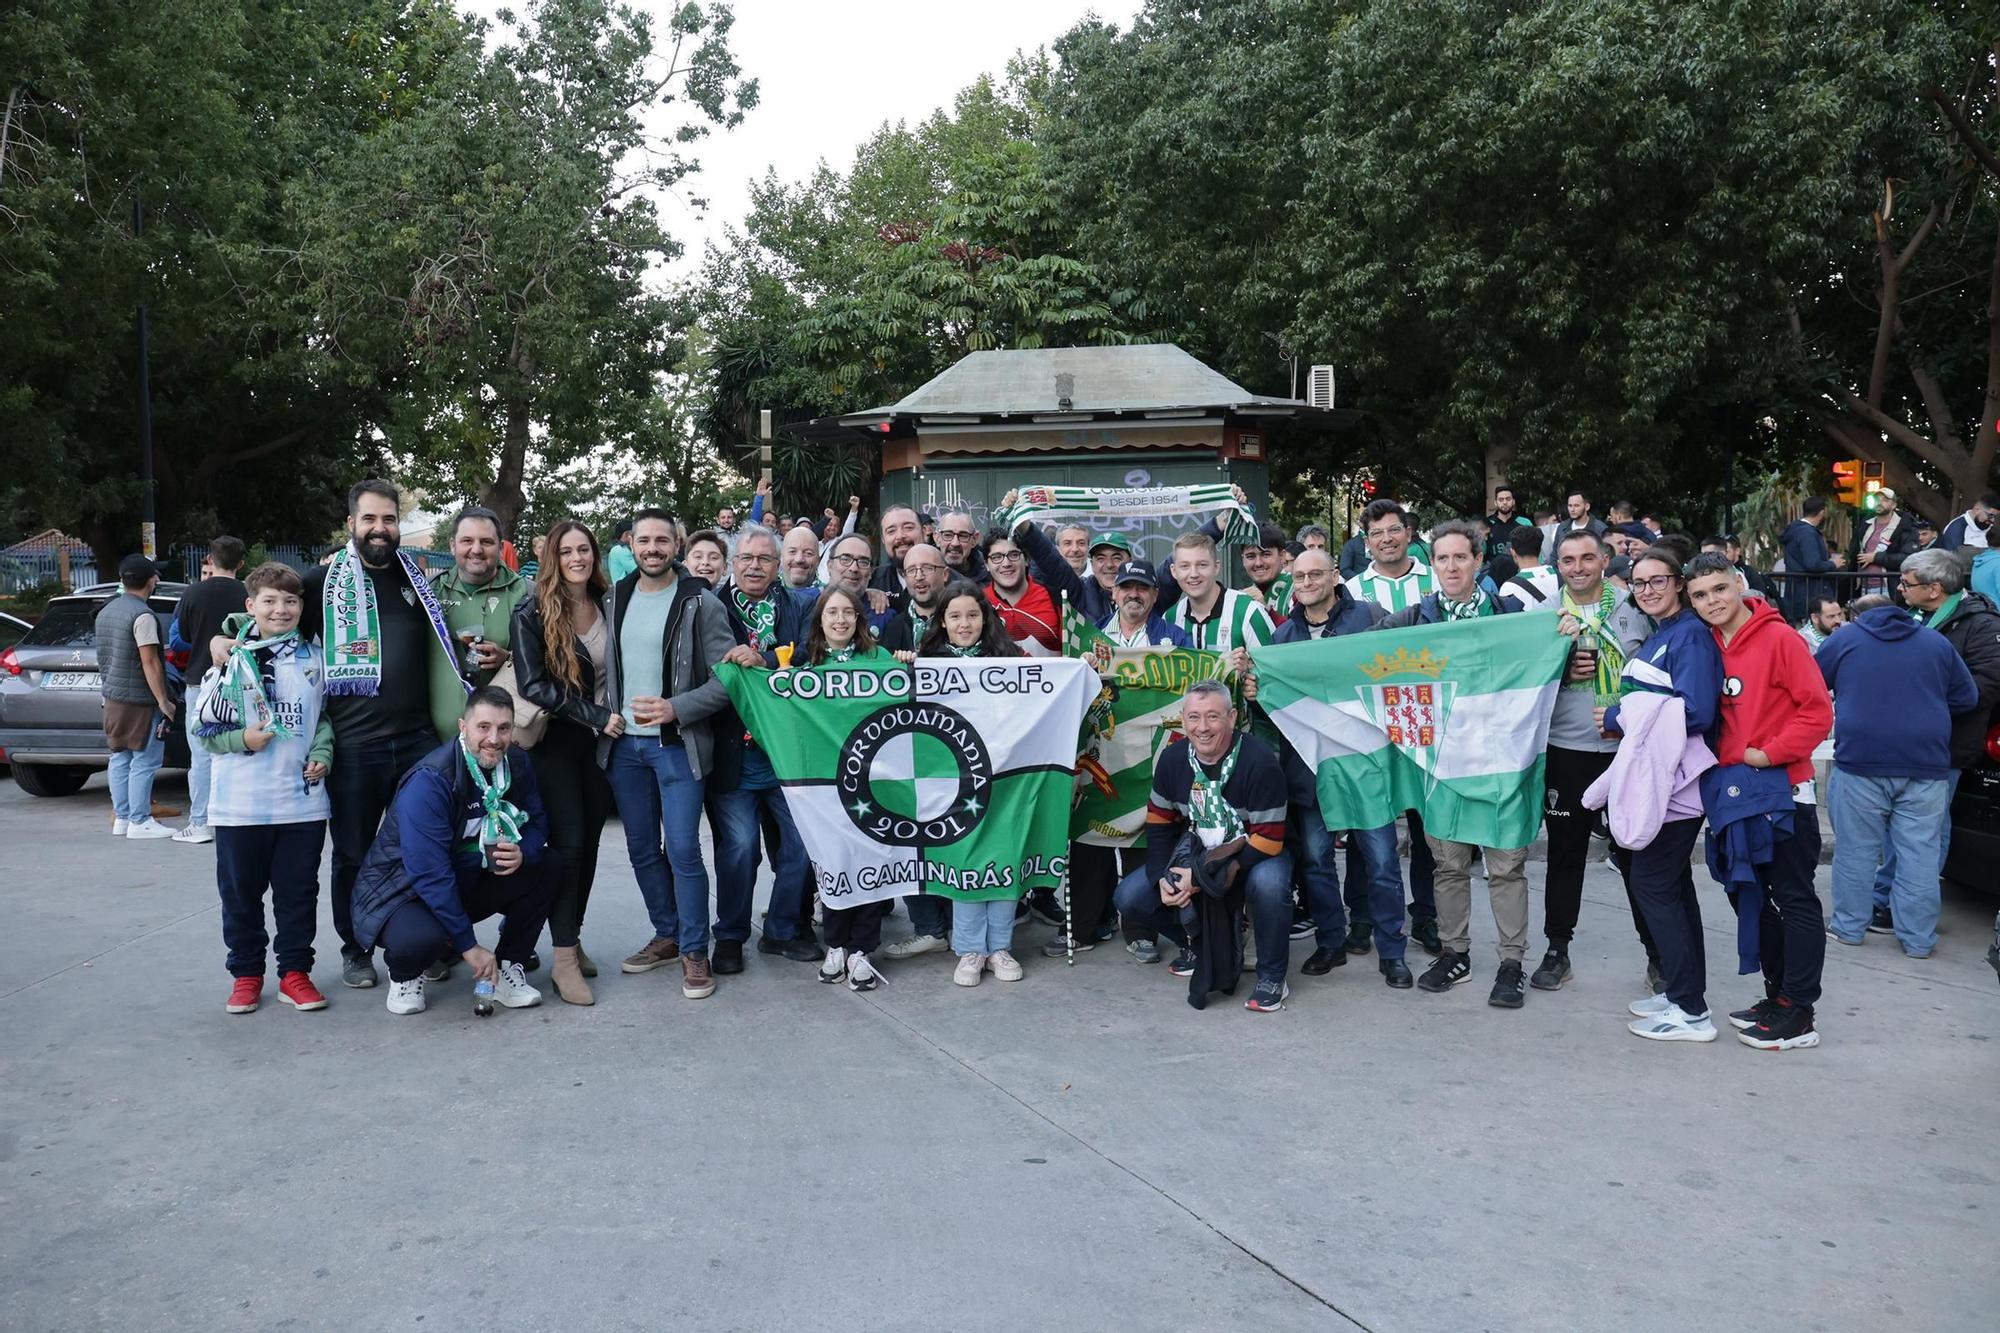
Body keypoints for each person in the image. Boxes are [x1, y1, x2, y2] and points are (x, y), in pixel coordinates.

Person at [285, 480, 464, 990]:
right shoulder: (321, 583)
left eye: (389, 519)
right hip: (354, 745)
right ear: (352, 525)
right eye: (370, 519)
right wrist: (224, 634)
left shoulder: (418, 581)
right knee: (353, 854)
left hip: (416, 741)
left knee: (424, 848)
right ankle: (356, 946)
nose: (380, 529)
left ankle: (421, 941)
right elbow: (270, 618)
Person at [1373, 521, 1536, 1007]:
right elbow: (1351, 654)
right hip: (1440, 763)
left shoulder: (1510, 614)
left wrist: (1565, 637)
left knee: (1506, 864)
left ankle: (1512, 963)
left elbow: (1551, 660)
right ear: (1432, 564)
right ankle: (1455, 952)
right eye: (1441, 559)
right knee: (1447, 864)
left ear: (1477, 561)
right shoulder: (1412, 619)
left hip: (1502, 760)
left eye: (1459, 558)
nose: (1450, 567)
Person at [1240, 548, 1411, 987]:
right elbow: (1273, 715)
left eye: (1317, 573)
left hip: (1366, 764)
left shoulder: (1370, 618)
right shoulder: (1282, 639)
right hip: (1309, 770)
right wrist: (1257, 694)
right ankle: (1331, 942)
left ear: (1335, 575)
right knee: (1316, 862)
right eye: (1300, 576)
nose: (1308, 581)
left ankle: (1392, 950)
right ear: (1291, 582)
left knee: (1382, 861)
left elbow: (1400, 668)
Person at [1685, 553, 1834, 1051]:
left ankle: (1800, 1011)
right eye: (1701, 595)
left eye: (1719, 590)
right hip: (1731, 794)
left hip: (1784, 791)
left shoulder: (1781, 639)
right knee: (1750, 895)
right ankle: (1777, 996)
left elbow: (1817, 713)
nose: (1712, 602)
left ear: (1738, 586)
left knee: (1793, 898)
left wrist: (1766, 754)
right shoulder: (1705, 643)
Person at [600, 509, 737, 1000]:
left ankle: (695, 949)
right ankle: (668, 933)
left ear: (676, 545)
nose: (653, 548)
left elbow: (728, 679)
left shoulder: (700, 602)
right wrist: (603, 714)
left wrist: (675, 708)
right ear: (630, 544)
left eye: (662, 540)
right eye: (644, 540)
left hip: (677, 746)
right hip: (624, 747)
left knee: (681, 849)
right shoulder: (614, 598)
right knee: (641, 849)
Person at [351, 687, 554, 1015]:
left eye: (504, 728)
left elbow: (538, 821)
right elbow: (428, 873)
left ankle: (508, 966)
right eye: (483, 727)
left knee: (549, 865)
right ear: (463, 727)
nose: (494, 738)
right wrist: (468, 946)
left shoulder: (516, 762)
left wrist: (524, 852)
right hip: (404, 891)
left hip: (467, 874)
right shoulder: (432, 780)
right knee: (420, 939)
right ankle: (404, 974)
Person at [192, 561, 334, 1015]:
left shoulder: (314, 658)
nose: (281, 610)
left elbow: (324, 717)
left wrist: (324, 752)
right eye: (270, 601)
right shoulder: (230, 659)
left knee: (298, 895)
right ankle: (247, 974)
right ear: (251, 606)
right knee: (241, 896)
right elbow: (206, 731)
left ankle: (295, 973)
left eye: (290, 601)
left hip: (301, 804)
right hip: (240, 806)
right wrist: (244, 741)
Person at [1600, 549, 1725, 1042]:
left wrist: (1617, 717)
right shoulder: (1666, 634)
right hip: (1664, 780)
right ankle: (1680, 991)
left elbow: (1694, 712)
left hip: (1675, 784)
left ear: (1678, 583)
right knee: (1671, 889)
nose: (1647, 589)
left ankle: (1691, 1010)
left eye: (1657, 580)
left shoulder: (1688, 634)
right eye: (1639, 583)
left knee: (1654, 888)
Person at [1518, 529, 1652, 990]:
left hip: (1628, 750)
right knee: (1565, 853)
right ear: (1558, 565)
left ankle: (1657, 951)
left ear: (1605, 559)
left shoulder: (1636, 607)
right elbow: (1523, 682)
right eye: (1568, 559)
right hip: (1568, 749)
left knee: (1637, 856)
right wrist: (1559, 668)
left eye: (1587, 558)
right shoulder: (1541, 615)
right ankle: (1558, 950)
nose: (1578, 567)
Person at [1113, 679, 1293, 1011]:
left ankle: (1272, 976)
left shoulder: (1259, 760)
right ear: (1182, 719)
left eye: (1213, 716)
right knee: (1129, 896)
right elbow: (1159, 825)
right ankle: (1200, 943)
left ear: (1233, 717)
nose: (1203, 727)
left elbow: (1268, 840)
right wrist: (1163, 878)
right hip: (1199, 851)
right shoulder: (1172, 759)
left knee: (1270, 884)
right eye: (1194, 717)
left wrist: (1202, 878)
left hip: (1254, 851)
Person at [1042, 559, 1190, 960]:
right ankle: (1083, 927)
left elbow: (1198, 686)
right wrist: (1079, 668)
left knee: (1147, 844)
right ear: (1113, 592)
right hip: (1099, 757)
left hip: (1149, 762)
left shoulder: (1176, 640)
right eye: (1126, 587)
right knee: (1089, 845)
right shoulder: (1087, 640)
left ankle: (1141, 930)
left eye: (1142, 588)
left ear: (1155, 595)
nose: (1134, 594)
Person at [1818, 588, 1976, 958]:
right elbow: (1966, 697)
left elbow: (1810, 683)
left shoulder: (1845, 638)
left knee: (1856, 851)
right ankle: (1918, 940)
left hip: (1861, 760)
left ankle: (1849, 928)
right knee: (1919, 853)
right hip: (1927, 762)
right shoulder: (1935, 642)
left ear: (1856, 615)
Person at [512, 520, 622, 1005]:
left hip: (599, 745)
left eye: (585, 550)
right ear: (552, 558)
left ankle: (571, 940)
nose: (577, 558)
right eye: (567, 551)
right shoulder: (532, 609)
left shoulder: (610, 601)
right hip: (556, 740)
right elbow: (533, 684)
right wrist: (594, 716)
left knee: (591, 844)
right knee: (569, 846)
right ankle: (561, 961)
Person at [1867, 550, 2000, 933]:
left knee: (1926, 832)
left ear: (1934, 589)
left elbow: (1985, 686)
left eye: (1907, 583)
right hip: (1902, 741)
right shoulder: (1914, 614)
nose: (1900, 589)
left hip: (1944, 745)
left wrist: (1921, 702)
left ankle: (1903, 908)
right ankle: (1886, 898)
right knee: (1899, 827)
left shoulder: (1979, 624)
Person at [712, 523, 821, 970]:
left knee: (804, 844)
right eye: (746, 558)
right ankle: (731, 936)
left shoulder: (798, 605)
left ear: (778, 566)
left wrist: (769, 659)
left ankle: (780, 929)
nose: (755, 566)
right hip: (732, 754)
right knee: (740, 849)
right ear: (733, 564)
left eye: (764, 559)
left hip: (786, 753)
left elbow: (813, 654)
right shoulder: (710, 607)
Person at [915, 581, 1029, 986]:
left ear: (986, 618)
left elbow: (1048, 687)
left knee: (1002, 857)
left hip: (1003, 775)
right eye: (955, 616)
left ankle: (1000, 946)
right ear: (942, 622)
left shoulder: (1011, 658)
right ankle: (969, 950)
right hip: (952, 780)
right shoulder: (926, 661)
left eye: (973, 615)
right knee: (963, 859)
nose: (965, 624)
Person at [800, 587, 897, 992]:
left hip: (876, 782)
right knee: (834, 861)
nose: (839, 620)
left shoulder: (879, 659)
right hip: (827, 785)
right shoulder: (807, 666)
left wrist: (906, 662)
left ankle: (862, 949)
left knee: (871, 861)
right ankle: (836, 944)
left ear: (859, 619)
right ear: (820, 621)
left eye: (847, 613)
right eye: (831, 613)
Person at [169, 535, 250, 844]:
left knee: (201, 755)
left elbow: (185, 636)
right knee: (241, 747)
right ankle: (238, 816)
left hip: (200, 679)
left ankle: (200, 822)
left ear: (210, 561)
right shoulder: (248, 593)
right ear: (241, 563)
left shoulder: (193, 593)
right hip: (243, 679)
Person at [428, 505, 531, 743]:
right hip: (436, 743)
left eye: (486, 541)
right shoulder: (429, 591)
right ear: (452, 545)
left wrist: (508, 658)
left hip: (501, 743)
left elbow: (548, 661)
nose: (476, 549)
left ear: (500, 547)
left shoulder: (526, 593)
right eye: (467, 541)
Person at [97, 556, 179, 839]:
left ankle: (122, 818)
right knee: (145, 761)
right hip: (141, 702)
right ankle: (140, 821)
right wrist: (164, 701)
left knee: (119, 757)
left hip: (113, 698)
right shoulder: (142, 615)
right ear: (152, 580)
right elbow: (150, 662)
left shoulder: (107, 611)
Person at [1164, 531, 1277, 653]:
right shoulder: (1169, 618)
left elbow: (1272, 668)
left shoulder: (1248, 611)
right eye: (1185, 566)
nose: (1194, 574)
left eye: (1202, 565)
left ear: (1216, 567)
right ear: (1174, 571)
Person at [1343, 500, 1435, 614]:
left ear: (1408, 534)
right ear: (1367, 542)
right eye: (1377, 533)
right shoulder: (1352, 591)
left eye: (1394, 530)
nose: (1387, 539)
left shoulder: (1439, 580)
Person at [980, 529, 1059, 652]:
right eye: (996, 557)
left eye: (1014, 555)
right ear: (986, 564)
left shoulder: (1053, 596)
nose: (1006, 563)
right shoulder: (978, 601)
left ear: (1027, 560)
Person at [876, 543, 951, 658]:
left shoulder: (961, 620)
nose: (919, 576)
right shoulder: (894, 628)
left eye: (927, 568)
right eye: (911, 570)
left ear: (945, 574)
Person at [1778, 497, 1844, 622]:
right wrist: (1833, 564)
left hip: (1799, 592)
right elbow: (1813, 564)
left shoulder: (1796, 530)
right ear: (1821, 512)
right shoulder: (1807, 533)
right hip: (1810, 593)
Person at [1849, 487, 1921, 593]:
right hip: (1863, 586)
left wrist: (1876, 558)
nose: (1879, 503)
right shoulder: (1865, 524)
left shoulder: (1905, 526)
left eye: (1885, 500)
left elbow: (1909, 558)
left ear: (1894, 505)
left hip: (1889, 588)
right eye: (1877, 499)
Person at [1238, 523, 1294, 621]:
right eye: (1251, 556)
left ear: (1282, 556)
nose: (1258, 563)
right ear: (1243, 560)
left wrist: (1266, 609)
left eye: (1266, 554)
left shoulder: (1299, 589)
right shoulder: (1241, 598)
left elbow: (1302, 634)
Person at [870, 504, 925, 595]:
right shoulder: (873, 581)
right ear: (883, 540)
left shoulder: (948, 581)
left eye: (908, 528)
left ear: (923, 532)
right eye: (891, 531)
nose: (900, 536)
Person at [1546, 490, 1607, 565]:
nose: (1572, 509)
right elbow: (1555, 555)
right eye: (1570, 506)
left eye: (1576, 505)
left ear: (1587, 506)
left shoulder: (1600, 528)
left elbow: (1606, 555)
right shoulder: (1562, 527)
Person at [934, 509, 988, 583]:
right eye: (948, 535)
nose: (955, 543)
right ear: (937, 538)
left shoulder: (989, 577)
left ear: (974, 539)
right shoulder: (923, 576)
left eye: (963, 536)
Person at [1485, 484, 1532, 562]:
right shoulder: (1487, 524)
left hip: (1520, 571)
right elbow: (1480, 552)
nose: (1504, 502)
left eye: (1508, 499)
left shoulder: (1525, 523)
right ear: (1495, 502)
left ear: (1513, 501)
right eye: (1501, 499)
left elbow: (1535, 549)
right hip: (1492, 571)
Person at [780, 521, 822, 590]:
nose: (799, 559)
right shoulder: (764, 593)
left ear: (818, 561)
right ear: (781, 557)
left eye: (808, 553)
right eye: (792, 552)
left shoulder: (830, 597)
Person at [606, 518, 637, 582]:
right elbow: (637, 570)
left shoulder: (616, 549)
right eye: (633, 533)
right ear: (626, 534)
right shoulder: (621, 550)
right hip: (626, 589)